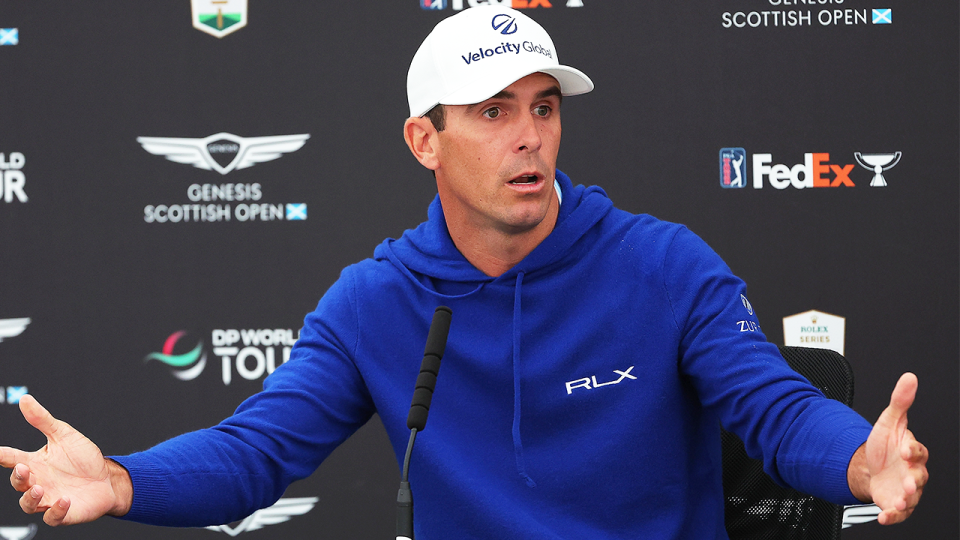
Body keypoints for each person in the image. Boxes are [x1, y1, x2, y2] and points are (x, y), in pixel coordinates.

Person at [0, 6, 928, 539]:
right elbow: (257, 453)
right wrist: (122, 481)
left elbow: (775, 405)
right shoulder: (375, 301)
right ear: (423, 140)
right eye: (490, 111)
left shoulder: (662, 264)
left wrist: (856, 458)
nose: (529, 134)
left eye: (542, 106)